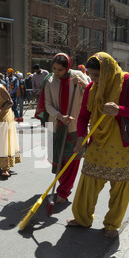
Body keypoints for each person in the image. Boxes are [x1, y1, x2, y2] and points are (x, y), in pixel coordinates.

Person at [67, 52, 129, 238]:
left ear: (108, 70)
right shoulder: (92, 88)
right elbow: (83, 117)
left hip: (125, 147)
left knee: (120, 188)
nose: (93, 79)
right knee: (88, 183)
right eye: (90, 75)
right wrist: (81, 138)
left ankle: (112, 225)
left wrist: (119, 110)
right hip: (98, 143)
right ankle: (82, 218)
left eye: (97, 75)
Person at [37, 53, 88, 205]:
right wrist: (61, 116)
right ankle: (64, 186)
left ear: (68, 67)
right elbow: (48, 105)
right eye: (54, 68)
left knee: (72, 162)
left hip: (75, 127)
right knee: (59, 162)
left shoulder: (78, 75)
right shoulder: (49, 80)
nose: (56, 72)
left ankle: (63, 192)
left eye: (60, 69)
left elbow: (91, 95)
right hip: (56, 127)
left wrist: (83, 84)